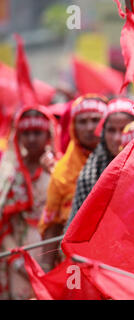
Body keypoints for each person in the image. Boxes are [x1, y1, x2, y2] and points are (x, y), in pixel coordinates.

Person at [38, 94, 107, 270]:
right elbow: (52, 226)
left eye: (95, 120)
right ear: (73, 127)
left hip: (113, 262)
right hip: (73, 264)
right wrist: (45, 273)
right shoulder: (61, 172)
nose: (90, 127)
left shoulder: (119, 162)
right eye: (82, 121)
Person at [0, 106, 59, 299]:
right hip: (16, 254)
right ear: (18, 136)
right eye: (26, 133)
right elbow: (4, 222)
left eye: (37, 133)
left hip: (52, 252)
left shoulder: (60, 170)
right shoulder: (9, 173)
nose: (32, 139)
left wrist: (47, 264)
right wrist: (15, 258)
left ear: (48, 133)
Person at [64, 98, 134, 231]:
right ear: (103, 133)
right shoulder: (91, 174)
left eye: (124, 129)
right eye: (111, 130)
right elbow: (77, 230)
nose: (117, 138)